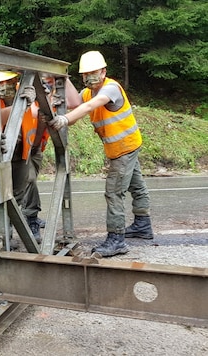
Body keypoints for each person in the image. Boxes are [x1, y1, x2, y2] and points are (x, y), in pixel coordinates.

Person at [46, 50, 153, 257]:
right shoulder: (87, 92)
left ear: (104, 71)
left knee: (114, 192)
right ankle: (143, 225)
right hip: (123, 146)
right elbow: (75, 105)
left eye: (93, 72)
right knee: (136, 185)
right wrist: (63, 79)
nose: (89, 77)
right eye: (85, 74)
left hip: (124, 148)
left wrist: (64, 120)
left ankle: (116, 240)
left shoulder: (110, 88)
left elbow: (88, 107)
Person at [0, 71, 45, 242]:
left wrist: (36, 146)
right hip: (3, 155)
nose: (4, 86)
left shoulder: (28, 94)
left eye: (8, 82)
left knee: (23, 188)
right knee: (1, 193)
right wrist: (21, 106)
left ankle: (26, 221)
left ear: (15, 81)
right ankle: (4, 231)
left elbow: (40, 117)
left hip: (25, 151)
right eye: (1, 83)